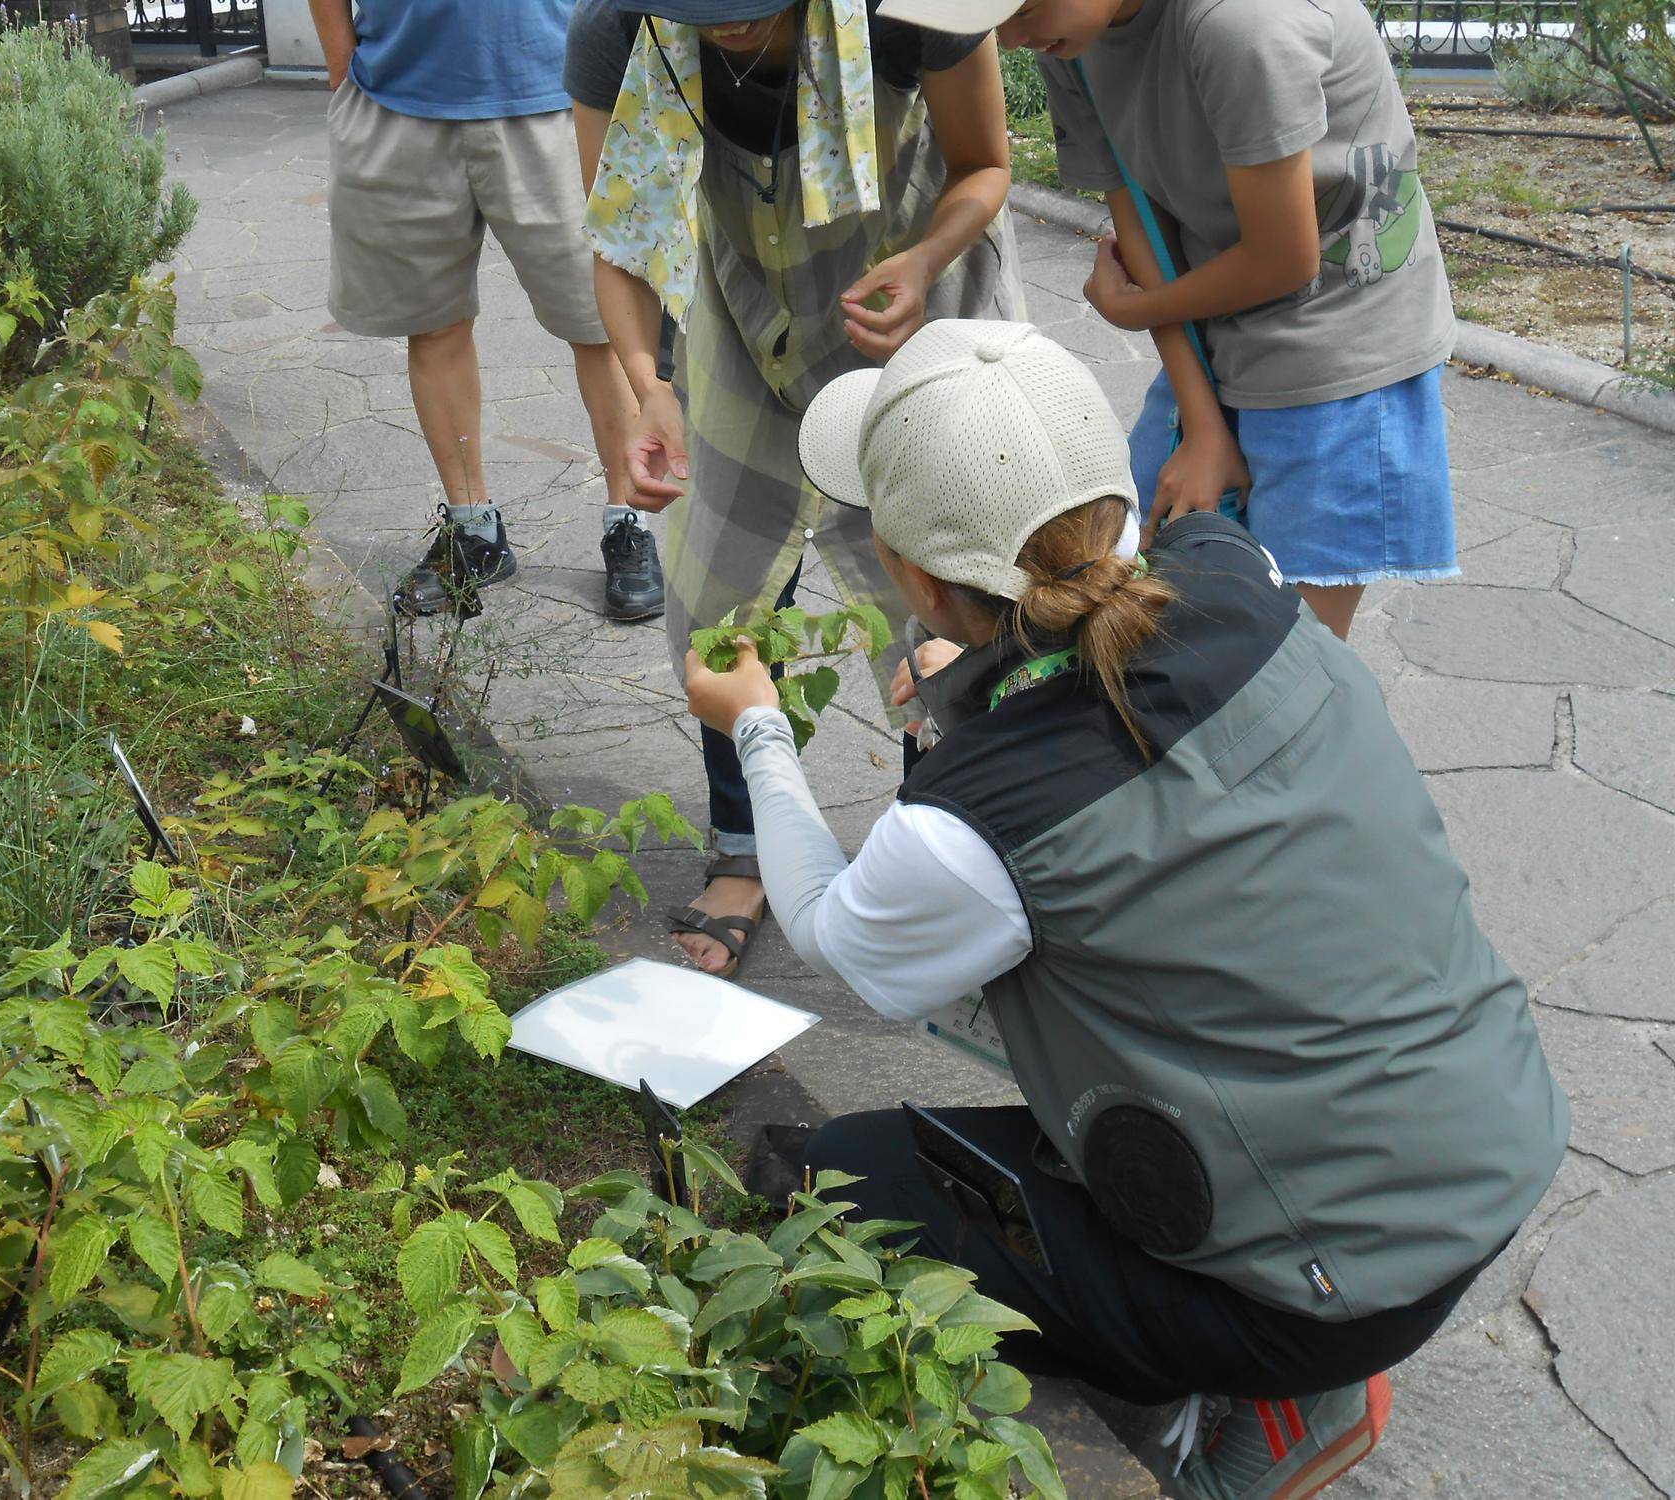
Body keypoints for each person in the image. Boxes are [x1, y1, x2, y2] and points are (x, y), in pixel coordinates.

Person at [683, 319, 1567, 1500]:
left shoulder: (974, 822)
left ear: (913, 577)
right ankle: (1270, 1339)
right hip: (1490, 1148)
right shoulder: (1237, 579)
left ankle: (1269, 1400)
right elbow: (1098, 702)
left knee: (833, 1179)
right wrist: (971, 703)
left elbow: (844, 935)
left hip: (1332, 1284)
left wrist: (752, 722)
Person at [565, 0, 1023, 976]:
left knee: (944, 606)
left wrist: (926, 255)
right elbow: (619, 237)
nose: (722, 26)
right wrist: (645, 384)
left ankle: (942, 851)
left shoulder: (912, 9)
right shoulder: (620, 32)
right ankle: (745, 848)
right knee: (716, 599)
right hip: (742, 316)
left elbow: (983, 165)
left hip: (913, 309)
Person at [907, 0, 1457, 640]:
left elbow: (1285, 259)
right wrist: (1201, 426)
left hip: (1342, 351)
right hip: (1212, 318)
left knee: (1283, 650)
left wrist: (1133, 309)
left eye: (1022, 8)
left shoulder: (1241, 23)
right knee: (1126, 572)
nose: (1009, 37)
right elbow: (1146, 231)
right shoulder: (1070, 37)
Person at [308, 0, 668, 621]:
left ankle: (628, 522)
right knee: (434, 328)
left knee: (604, 329)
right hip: (397, 96)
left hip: (560, 96)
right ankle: (475, 532)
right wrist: (344, 69)